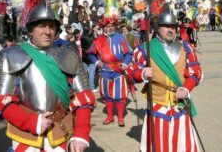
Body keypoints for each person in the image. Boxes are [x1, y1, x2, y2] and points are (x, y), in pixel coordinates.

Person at [0, 0, 96, 152]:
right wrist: (30, 122)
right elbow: (0, 102)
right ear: (30, 30)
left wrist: (81, 134)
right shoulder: (11, 55)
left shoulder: (69, 54)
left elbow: (84, 97)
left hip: (60, 129)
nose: (48, 31)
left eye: (52, 26)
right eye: (41, 26)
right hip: (25, 134)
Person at [128, 10, 203, 151]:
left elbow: (196, 73)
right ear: (158, 27)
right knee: (159, 143)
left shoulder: (186, 48)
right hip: (158, 104)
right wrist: (142, 73)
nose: (171, 30)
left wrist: (185, 88)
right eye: (166, 26)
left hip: (180, 105)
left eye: (173, 27)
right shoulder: (145, 49)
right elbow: (131, 71)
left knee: (182, 144)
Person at [87, 15, 133, 126]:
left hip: (118, 70)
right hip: (104, 71)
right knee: (107, 96)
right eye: (108, 26)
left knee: (120, 96)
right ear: (104, 28)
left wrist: (125, 64)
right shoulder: (98, 40)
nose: (110, 28)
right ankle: (110, 117)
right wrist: (97, 62)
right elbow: (90, 53)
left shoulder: (121, 37)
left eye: (112, 26)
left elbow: (129, 53)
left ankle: (121, 118)